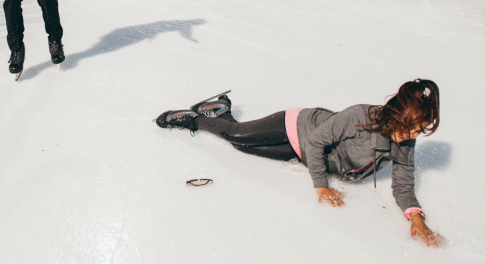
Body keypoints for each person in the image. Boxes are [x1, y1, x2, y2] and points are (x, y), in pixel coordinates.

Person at [156, 79, 443, 248]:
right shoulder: (359, 117)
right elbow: (317, 141)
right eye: (411, 127)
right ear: (396, 114)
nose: (413, 136)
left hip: (304, 154)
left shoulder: (405, 142)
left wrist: (415, 216)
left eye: (420, 130)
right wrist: (321, 186)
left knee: (242, 148)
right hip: (297, 126)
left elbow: (403, 182)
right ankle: (193, 118)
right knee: (237, 135)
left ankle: (219, 110)